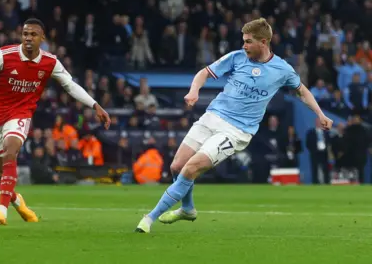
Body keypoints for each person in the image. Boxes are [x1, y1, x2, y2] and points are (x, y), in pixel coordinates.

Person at [135, 18, 333, 233]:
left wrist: (320, 114)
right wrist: (194, 91)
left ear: (263, 42)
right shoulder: (237, 58)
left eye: (248, 42)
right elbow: (204, 73)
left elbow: (302, 91)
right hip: (211, 117)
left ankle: (149, 218)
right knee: (177, 166)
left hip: (237, 131)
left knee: (191, 168)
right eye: (244, 41)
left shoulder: (282, 69)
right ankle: (188, 209)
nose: (244, 46)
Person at [0, 18, 111, 225]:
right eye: (25, 34)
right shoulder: (3, 55)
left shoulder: (50, 62)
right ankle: (18, 202)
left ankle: (1, 210)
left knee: (11, 150)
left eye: (33, 34)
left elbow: (70, 86)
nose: (28, 38)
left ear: (42, 38)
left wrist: (95, 105)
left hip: (20, 114)